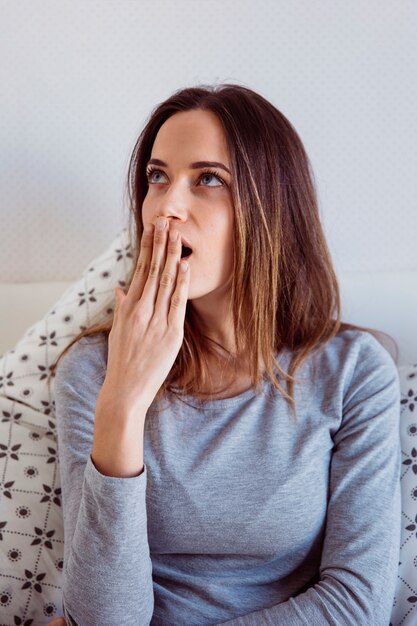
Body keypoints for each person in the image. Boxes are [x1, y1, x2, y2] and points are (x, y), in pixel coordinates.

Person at [47, 83, 401, 626]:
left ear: (272, 210)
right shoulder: (92, 370)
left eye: (208, 179)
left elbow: (357, 604)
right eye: (157, 177)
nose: (166, 208)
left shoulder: (354, 372)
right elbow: (101, 619)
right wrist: (122, 401)